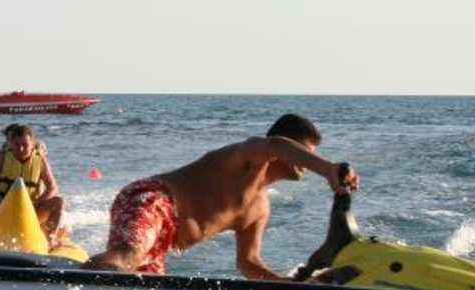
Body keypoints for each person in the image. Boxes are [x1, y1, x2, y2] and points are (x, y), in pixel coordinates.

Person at [85, 113, 358, 277]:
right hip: (152, 200)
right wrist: (328, 169)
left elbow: (248, 263)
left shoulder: (259, 209)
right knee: (129, 255)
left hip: (164, 239)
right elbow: (276, 144)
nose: (308, 162)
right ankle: (67, 287)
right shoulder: (245, 159)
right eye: (306, 152)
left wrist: (285, 287)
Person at [0, 123, 65, 244]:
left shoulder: (40, 160)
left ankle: (50, 238)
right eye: (17, 144)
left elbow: (53, 188)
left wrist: (37, 202)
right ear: (11, 144)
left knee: (59, 201)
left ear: (32, 145)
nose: (21, 149)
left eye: (25, 145)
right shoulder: (2, 157)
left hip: (30, 208)